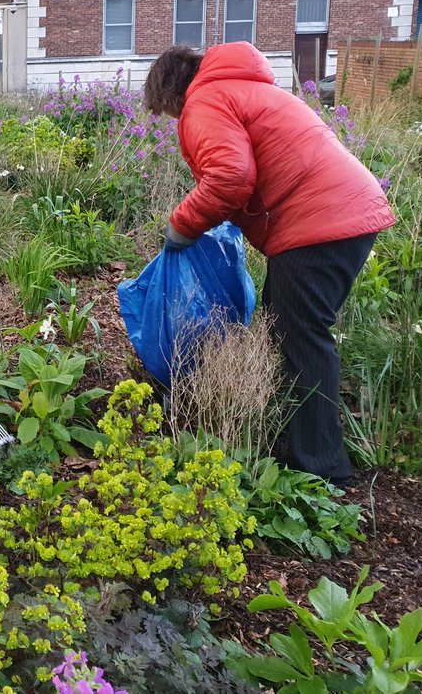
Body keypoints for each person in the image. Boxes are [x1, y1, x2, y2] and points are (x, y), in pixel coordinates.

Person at [142, 42, 395, 485]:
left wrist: (181, 226)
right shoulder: (244, 89)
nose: (175, 121)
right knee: (280, 326)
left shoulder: (206, 99)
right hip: (340, 212)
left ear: (171, 91)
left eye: (169, 113)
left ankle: (320, 473)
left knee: (303, 338)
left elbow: (231, 177)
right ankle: (293, 440)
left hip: (320, 222)